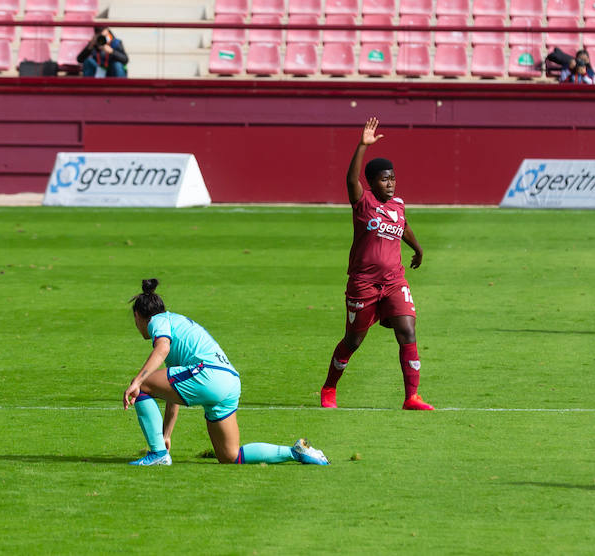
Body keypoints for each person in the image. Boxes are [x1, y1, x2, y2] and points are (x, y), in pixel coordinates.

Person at [123, 279, 329, 467]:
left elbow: (162, 349)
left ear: (137, 316)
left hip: (208, 375)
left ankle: (157, 454)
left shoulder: (157, 321)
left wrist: (137, 381)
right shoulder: (177, 323)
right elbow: (172, 392)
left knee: (141, 385)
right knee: (230, 456)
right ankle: (296, 452)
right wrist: (166, 434)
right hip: (229, 382)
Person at [320, 117, 435, 411]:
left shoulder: (398, 204)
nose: (390, 183)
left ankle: (412, 397)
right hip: (363, 283)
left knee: (408, 330)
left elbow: (404, 225)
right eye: (384, 179)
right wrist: (362, 146)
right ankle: (329, 387)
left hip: (395, 281)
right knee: (354, 340)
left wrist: (418, 248)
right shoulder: (363, 202)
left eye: (393, 178)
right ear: (372, 182)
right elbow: (350, 180)